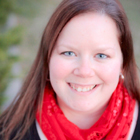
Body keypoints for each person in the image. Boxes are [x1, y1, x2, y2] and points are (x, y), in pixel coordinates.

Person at [0, 0, 140, 139]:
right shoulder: (8, 133)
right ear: (47, 59)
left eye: (101, 55)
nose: (84, 71)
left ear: (123, 64)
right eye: (68, 53)